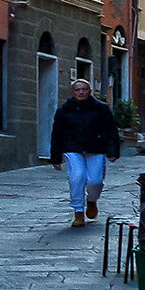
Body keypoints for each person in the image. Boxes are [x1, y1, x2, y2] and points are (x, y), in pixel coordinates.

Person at [49, 79, 122, 228]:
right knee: (77, 177)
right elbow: (57, 134)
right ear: (73, 92)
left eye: (84, 89)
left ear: (89, 91)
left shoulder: (101, 109)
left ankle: (92, 201)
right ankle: (78, 212)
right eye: (77, 90)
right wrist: (55, 157)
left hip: (96, 147)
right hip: (73, 148)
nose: (81, 92)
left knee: (95, 181)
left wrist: (112, 151)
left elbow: (111, 130)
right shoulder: (64, 110)